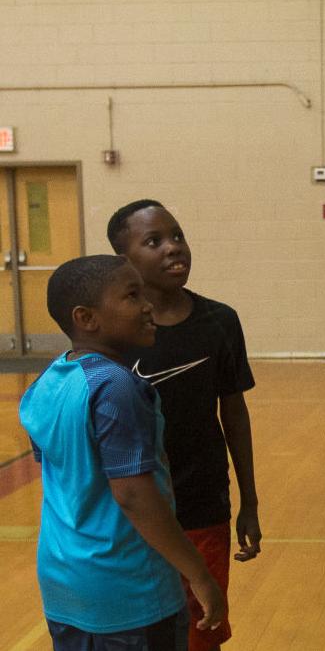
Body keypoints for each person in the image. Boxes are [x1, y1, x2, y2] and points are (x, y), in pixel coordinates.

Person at [19, 255, 225, 651]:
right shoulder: (115, 386)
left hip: (64, 581)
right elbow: (132, 494)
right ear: (86, 317)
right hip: (129, 587)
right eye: (132, 296)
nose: (148, 305)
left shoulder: (48, 380)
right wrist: (197, 574)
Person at [108, 200, 261, 651]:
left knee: (201, 634)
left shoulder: (219, 321)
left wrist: (248, 500)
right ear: (124, 260)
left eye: (177, 236)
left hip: (201, 506)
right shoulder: (112, 335)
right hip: (130, 517)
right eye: (153, 241)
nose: (174, 248)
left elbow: (233, 413)